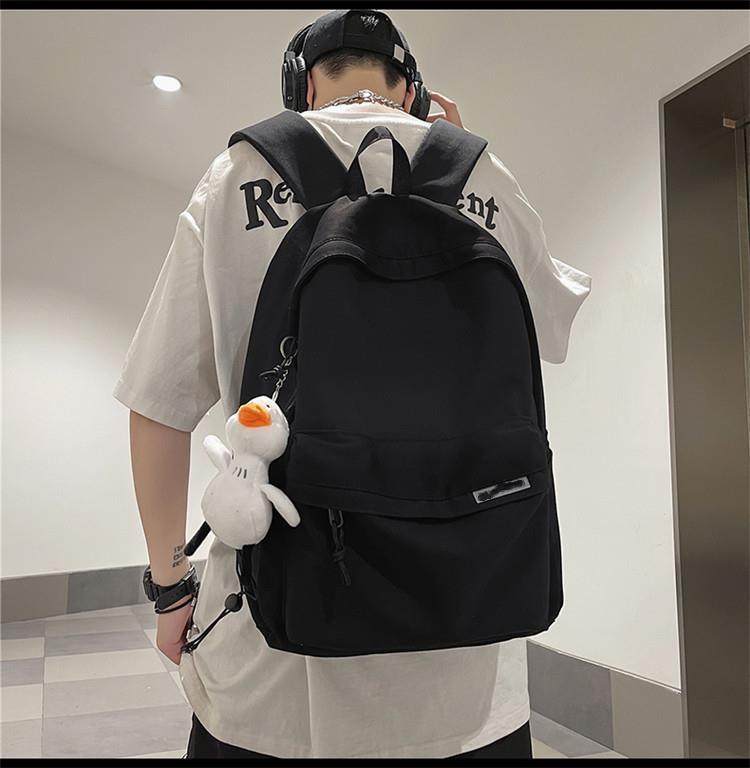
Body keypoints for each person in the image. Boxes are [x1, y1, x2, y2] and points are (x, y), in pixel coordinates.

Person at [113, 9, 591, 760]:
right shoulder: (484, 176)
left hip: (274, 672)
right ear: (409, 89)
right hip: (468, 663)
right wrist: (462, 160)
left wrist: (172, 590)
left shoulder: (235, 176)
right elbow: (553, 327)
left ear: (304, 85)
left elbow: (157, 405)